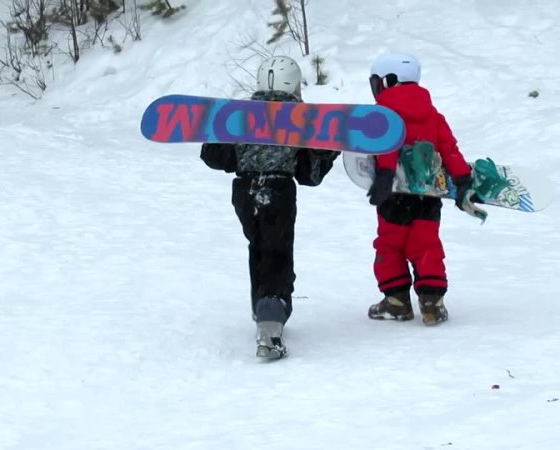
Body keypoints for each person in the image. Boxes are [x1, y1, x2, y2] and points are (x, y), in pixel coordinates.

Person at [200, 56, 338, 359]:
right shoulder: (300, 120)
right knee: (277, 255)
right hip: (278, 191)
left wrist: (217, 136)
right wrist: (328, 151)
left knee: (259, 248)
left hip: (244, 193)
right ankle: (270, 328)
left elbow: (216, 157)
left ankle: (263, 308)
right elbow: (309, 174)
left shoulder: (240, 115)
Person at [365, 51, 474, 326]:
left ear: (388, 81)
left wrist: (385, 175)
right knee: (426, 244)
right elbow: (449, 149)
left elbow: (386, 143)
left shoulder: (381, 113)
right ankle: (432, 303)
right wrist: (463, 181)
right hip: (428, 195)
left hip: (394, 195)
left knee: (390, 245)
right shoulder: (433, 115)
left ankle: (397, 302)